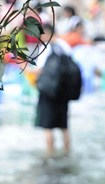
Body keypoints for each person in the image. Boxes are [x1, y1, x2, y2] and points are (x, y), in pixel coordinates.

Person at [34, 28, 74, 157]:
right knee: (64, 125)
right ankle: (67, 152)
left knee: (47, 126)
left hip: (48, 92)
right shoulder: (65, 46)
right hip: (63, 91)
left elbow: (38, 70)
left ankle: (50, 154)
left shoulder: (45, 48)